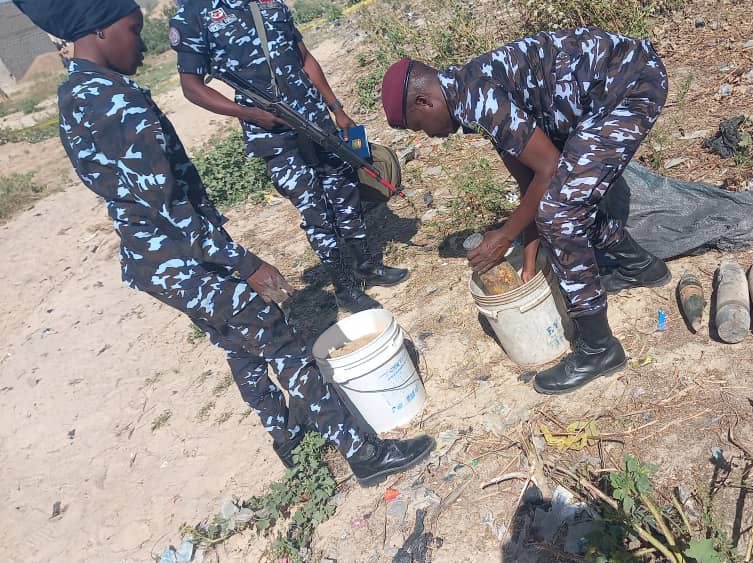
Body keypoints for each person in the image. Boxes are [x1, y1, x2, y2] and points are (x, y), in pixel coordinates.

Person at [13, 0, 433, 486]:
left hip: (157, 259)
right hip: (184, 257)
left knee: (238, 344)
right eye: (132, 29)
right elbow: (167, 206)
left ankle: (290, 439)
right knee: (279, 338)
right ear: (102, 32)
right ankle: (365, 455)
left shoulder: (76, 93)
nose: (142, 43)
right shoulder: (116, 102)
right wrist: (245, 262)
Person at [380, 28, 670, 395]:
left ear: (423, 102)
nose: (428, 135)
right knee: (562, 199)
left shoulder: (476, 97)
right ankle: (641, 266)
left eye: (419, 127)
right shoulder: (467, 93)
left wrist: (505, 236)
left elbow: (548, 168)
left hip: (629, 87)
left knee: (561, 212)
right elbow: (532, 180)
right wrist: (529, 258)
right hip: (603, 96)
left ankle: (599, 349)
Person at [168, 0, 407, 314]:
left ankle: (368, 266)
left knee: (345, 192)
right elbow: (192, 87)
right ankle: (346, 288)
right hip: (273, 135)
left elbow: (304, 57)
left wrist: (337, 110)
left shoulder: (269, 3)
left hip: (316, 121)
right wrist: (247, 113)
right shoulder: (193, 14)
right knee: (315, 210)